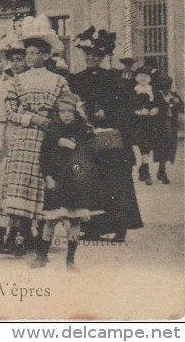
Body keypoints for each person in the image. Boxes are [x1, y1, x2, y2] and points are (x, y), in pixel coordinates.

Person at [0, 15, 70, 256]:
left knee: (43, 183)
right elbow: (9, 111)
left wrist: (54, 123)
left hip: (47, 139)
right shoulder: (17, 81)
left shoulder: (58, 81)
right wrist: (31, 119)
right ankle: (19, 233)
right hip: (24, 138)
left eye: (36, 53)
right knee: (19, 185)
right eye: (28, 53)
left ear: (47, 56)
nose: (31, 58)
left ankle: (40, 236)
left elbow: (68, 108)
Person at [67, 29, 141, 242]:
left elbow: (127, 106)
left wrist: (107, 113)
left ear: (102, 57)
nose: (91, 58)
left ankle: (120, 226)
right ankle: (93, 227)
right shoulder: (76, 79)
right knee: (90, 180)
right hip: (87, 135)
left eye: (95, 55)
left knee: (115, 183)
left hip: (111, 138)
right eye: (88, 55)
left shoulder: (114, 78)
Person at [32, 93, 102, 271]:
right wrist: (47, 176)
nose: (66, 115)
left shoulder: (84, 130)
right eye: (62, 111)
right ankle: (42, 255)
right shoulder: (53, 131)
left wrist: (75, 147)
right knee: (50, 219)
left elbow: (92, 152)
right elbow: (44, 156)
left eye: (70, 111)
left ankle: (70, 259)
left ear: (76, 112)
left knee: (75, 219)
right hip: (57, 179)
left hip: (77, 181)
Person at [0, 35, 29, 251]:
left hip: (28, 138)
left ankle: (18, 233)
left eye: (20, 60)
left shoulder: (32, 84)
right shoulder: (6, 86)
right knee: (2, 184)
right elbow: (0, 116)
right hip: (9, 136)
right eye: (12, 60)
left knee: (22, 187)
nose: (15, 64)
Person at [130, 66, 166, 186]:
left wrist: (156, 109)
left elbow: (162, 105)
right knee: (144, 146)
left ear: (150, 78)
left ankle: (144, 170)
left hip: (152, 124)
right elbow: (127, 106)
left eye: (146, 76)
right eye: (141, 76)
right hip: (137, 124)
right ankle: (145, 171)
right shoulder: (132, 91)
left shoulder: (154, 91)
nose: (143, 78)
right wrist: (137, 112)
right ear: (136, 78)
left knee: (148, 147)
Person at [155, 75, 182, 184]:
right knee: (162, 147)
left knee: (170, 147)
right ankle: (162, 171)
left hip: (171, 124)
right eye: (164, 87)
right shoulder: (157, 95)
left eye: (168, 86)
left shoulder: (174, 95)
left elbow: (183, 108)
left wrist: (177, 102)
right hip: (160, 125)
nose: (167, 89)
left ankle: (162, 170)